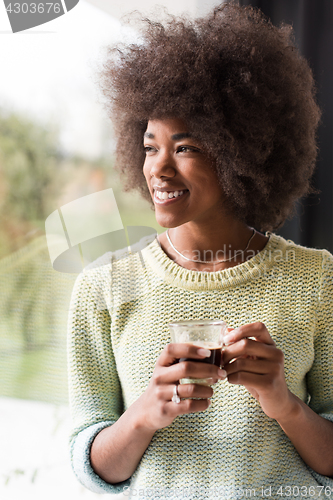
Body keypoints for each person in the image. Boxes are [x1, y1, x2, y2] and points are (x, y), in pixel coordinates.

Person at [67, 3, 333, 498]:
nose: (159, 169)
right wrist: (144, 414)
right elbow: (92, 465)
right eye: (150, 146)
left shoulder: (317, 280)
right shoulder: (103, 287)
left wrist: (284, 404)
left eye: (185, 147)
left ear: (241, 152)